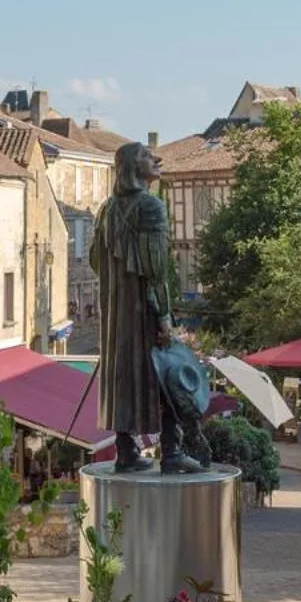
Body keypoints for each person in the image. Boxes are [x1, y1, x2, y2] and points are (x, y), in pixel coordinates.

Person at [90, 142, 202, 475]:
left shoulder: (106, 209)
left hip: (116, 314)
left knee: (122, 376)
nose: (157, 159)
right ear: (132, 167)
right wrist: (164, 318)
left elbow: (96, 261)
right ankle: (172, 451)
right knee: (167, 375)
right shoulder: (150, 207)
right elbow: (157, 270)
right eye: (147, 157)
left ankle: (126, 450)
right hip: (143, 311)